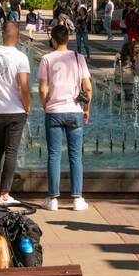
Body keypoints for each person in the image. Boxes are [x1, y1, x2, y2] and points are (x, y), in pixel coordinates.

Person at [38, 24, 91, 211]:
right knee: (75, 156)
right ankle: (77, 198)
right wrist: (87, 108)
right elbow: (88, 88)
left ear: (53, 40)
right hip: (74, 110)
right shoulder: (78, 58)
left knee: (54, 155)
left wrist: (46, 105)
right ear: (68, 39)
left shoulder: (46, 59)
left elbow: (43, 88)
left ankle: (53, 199)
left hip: (53, 111)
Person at [0, 21, 31, 207]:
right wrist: (27, 106)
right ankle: (5, 194)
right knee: (11, 152)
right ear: (17, 36)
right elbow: (24, 87)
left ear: (2, 35)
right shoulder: (21, 57)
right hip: (16, 111)